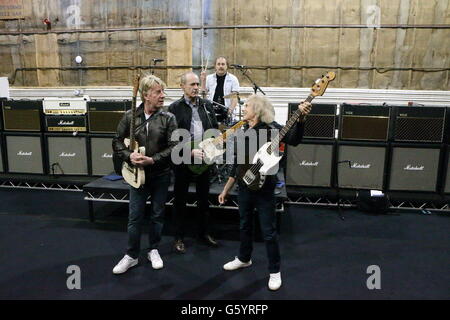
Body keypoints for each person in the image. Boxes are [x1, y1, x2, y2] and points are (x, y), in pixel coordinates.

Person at [218, 94, 311, 291]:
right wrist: (227, 189)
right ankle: (244, 258)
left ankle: (275, 271)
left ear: (258, 110)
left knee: (268, 232)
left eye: (247, 106)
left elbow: (294, 140)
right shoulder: (243, 130)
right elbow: (238, 165)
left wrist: (301, 119)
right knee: (244, 225)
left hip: (264, 189)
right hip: (244, 187)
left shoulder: (272, 130)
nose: (243, 108)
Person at [111, 74, 178, 274]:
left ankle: (153, 249)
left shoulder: (168, 118)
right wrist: (128, 156)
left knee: (157, 216)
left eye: (163, 91)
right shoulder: (130, 116)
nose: (162, 95)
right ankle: (131, 255)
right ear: (146, 95)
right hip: (136, 175)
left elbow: (175, 147)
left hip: (160, 174)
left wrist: (153, 160)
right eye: (158, 92)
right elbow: (116, 142)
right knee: (135, 217)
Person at [168, 71, 220, 253]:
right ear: (182, 86)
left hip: (204, 160)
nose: (196, 88)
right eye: (192, 85)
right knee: (180, 200)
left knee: (204, 200)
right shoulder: (174, 108)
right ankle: (178, 237)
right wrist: (189, 151)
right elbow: (171, 139)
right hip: (183, 160)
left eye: (197, 84)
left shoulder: (206, 106)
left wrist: (213, 146)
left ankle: (204, 233)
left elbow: (214, 129)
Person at [200, 56, 240, 123]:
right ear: (215, 66)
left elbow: (234, 98)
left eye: (223, 64)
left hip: (226, 112)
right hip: (211, 111)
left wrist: (230, 111)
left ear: (227, 66)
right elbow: (204, 95)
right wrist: (203, 81)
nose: (220, 66)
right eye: (218, 64)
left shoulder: (233, 79)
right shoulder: (209, 78)